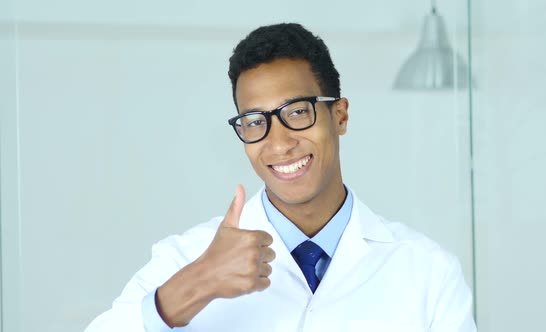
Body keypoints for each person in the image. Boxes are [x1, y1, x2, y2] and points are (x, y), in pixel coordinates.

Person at [84, 23, 477, 332]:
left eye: (297, 112)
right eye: (255, 121)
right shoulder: (186, 259)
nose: (279, 142)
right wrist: (199, 283)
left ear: (339, 115)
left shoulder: (428, 273)